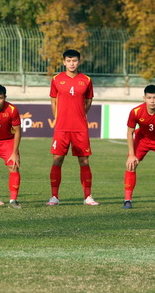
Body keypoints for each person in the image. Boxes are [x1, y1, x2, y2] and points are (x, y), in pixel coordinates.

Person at [47, 49, 99, 206]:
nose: (72, 63)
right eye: (69, 61)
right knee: (57, 160)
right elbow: (53, 101)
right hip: (62, 127)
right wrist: (58, 118)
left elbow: (88, 101)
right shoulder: (56, 79)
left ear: (79, 62)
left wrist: (80, 115)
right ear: (64, 62)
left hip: (80, 127)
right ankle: (54, 196)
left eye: (74, 61)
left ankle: (88, 197)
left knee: (84, 161)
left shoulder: (86, 80)